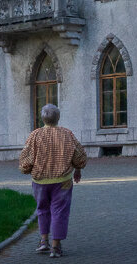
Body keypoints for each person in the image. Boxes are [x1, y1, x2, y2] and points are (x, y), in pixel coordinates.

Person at [19, 103, 87, 258]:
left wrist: (27, 169)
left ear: (42, 118)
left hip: (40, 181)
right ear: (58, 118)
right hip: (62, 181)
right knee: (60, 211)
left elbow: (26, 157)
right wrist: (78, 169)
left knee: (42, 209)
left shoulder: (34, 135)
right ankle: (55, 247)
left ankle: (44, 241)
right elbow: (80, 154)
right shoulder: (67, 134)